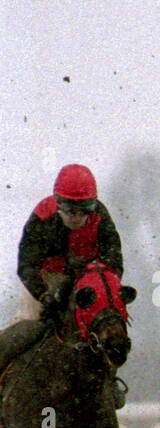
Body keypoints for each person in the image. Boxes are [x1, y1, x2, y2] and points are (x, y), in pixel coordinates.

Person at [9, 164, 128, 406]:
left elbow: (114, 260)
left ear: (92, 206)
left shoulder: (101, 217)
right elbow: (27, 265)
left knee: (108, 327)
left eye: (82, 210)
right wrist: (45, 296)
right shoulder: (42, 216)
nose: (75, 217)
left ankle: (109, 379)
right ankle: (7, 382)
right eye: (69, 210)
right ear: (58, 203)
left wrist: (97, 283)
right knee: (25, 328)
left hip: (86, 283)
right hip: (45, 280)